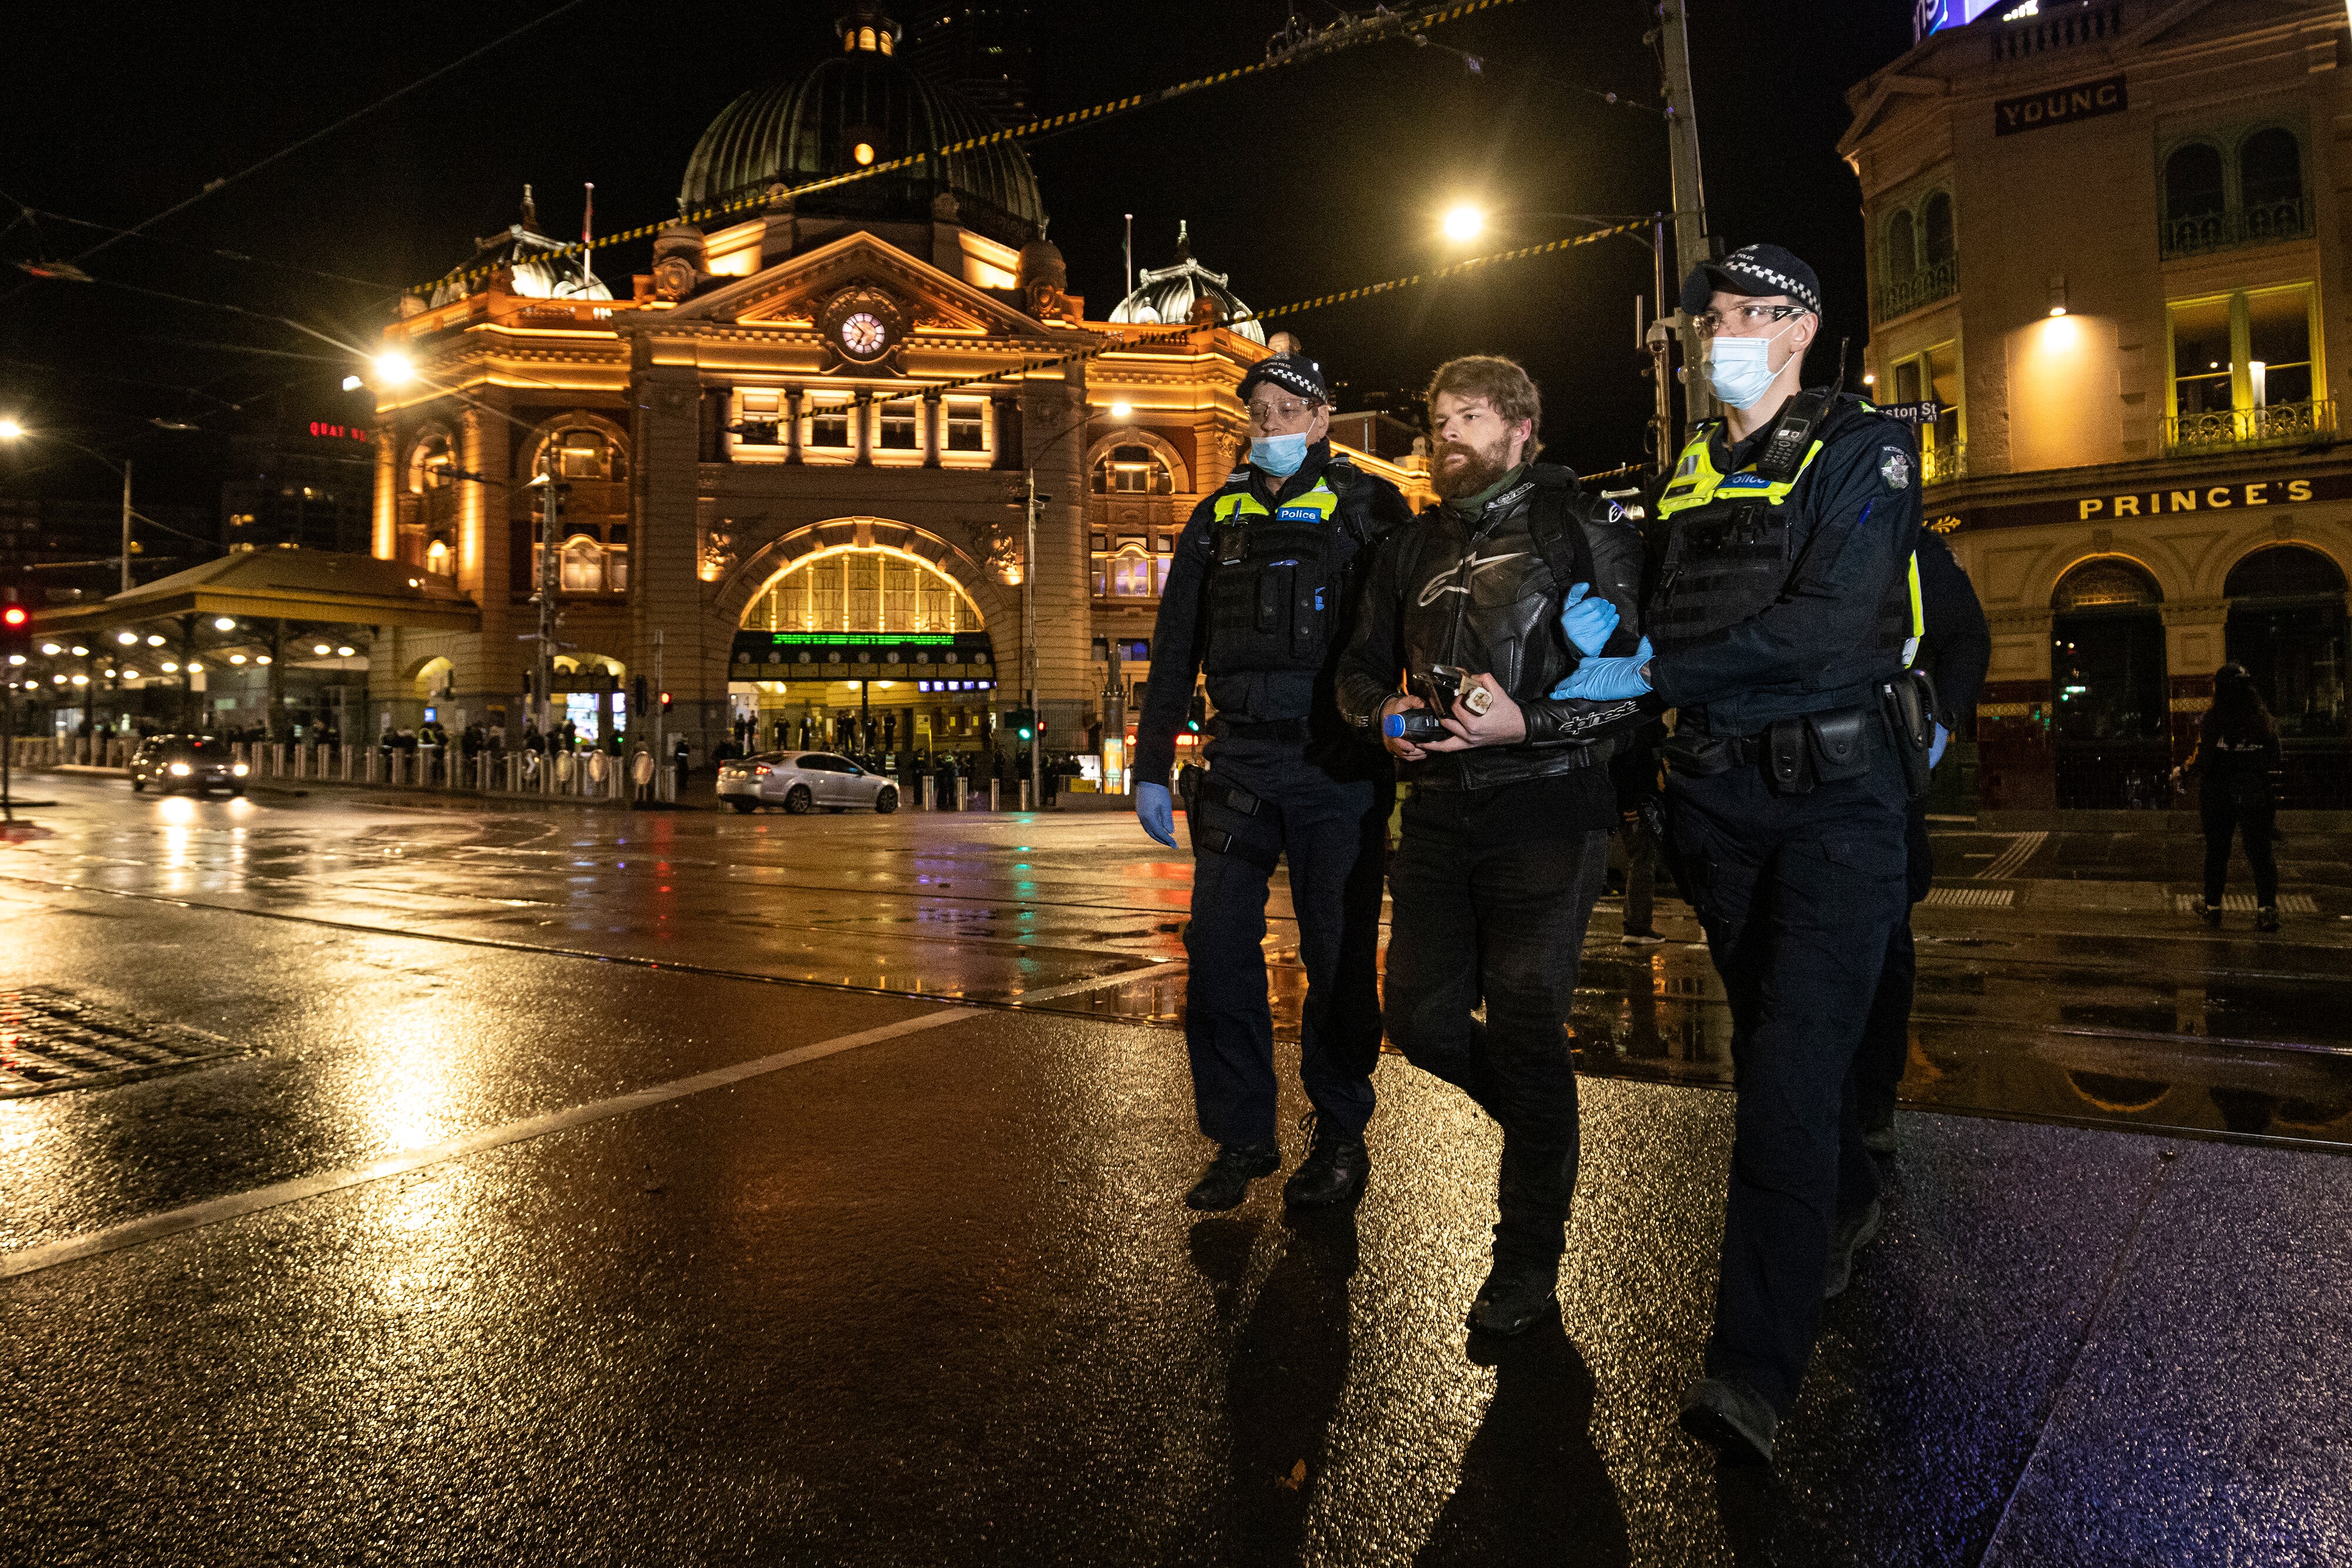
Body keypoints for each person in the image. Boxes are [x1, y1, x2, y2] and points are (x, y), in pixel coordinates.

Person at [1556, 245, 1927, 1463]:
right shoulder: (1681, 471)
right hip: (1714, 806)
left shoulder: (1862, 450)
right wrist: (1600, 631)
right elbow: (1651, 610)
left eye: (1734, 315)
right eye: (1703, 316)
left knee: (1779, 1077)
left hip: (1834, 803)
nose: (1710, 332)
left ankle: (1747, 1377)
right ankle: (1851, 1194)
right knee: (1784, 1047)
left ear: (1796, 327)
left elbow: (1823, 629)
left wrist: (1656, 670)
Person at [1337, 355, 1646, 1332]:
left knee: (1522, 1018)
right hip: (1435, 809)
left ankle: (1525, 1264)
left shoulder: (1579, 526)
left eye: (1470, 417)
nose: (1448, 434)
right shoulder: (1409, 547)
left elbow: (1635, 679)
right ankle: (1541, 1124)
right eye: (1438, 419)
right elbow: (1353, 666)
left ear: (1522, 431)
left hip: (1548, 806)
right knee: (1420, 1018)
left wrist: (1531, 725)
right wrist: (1379, 710)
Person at [1135, 349, 1415, 1213]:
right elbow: (1176, 643)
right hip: (1240, 761)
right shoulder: (1215, 516)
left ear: (1323, 417)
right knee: (1218, 951)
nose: (1271, 424)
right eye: (1257, 411)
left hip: (1337, 764)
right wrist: (1151, 765)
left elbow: (1410, 620)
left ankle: (1339, 1135)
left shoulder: (1373, 505)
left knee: (1335, 963)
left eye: (1288, 410)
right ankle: (1241, 1136)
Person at [1855, 529, 1989, 1153]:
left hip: (1882, 781)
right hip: (1796, 780)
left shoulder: (1912, 549)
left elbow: (1967, 639)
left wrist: (1937, 728)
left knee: (1883, 949)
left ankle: (1871, 1105)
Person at [2174, 663, 2283, 931]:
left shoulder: (2214, 719)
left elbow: (2203, 756)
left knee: (2217, 850)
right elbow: (2276, 756)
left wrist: (2183, 771)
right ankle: (2267, 910)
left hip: (2219, 793)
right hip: (2256, 792)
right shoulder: (2263, 719)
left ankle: (2213, 908)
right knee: (2261, 853)